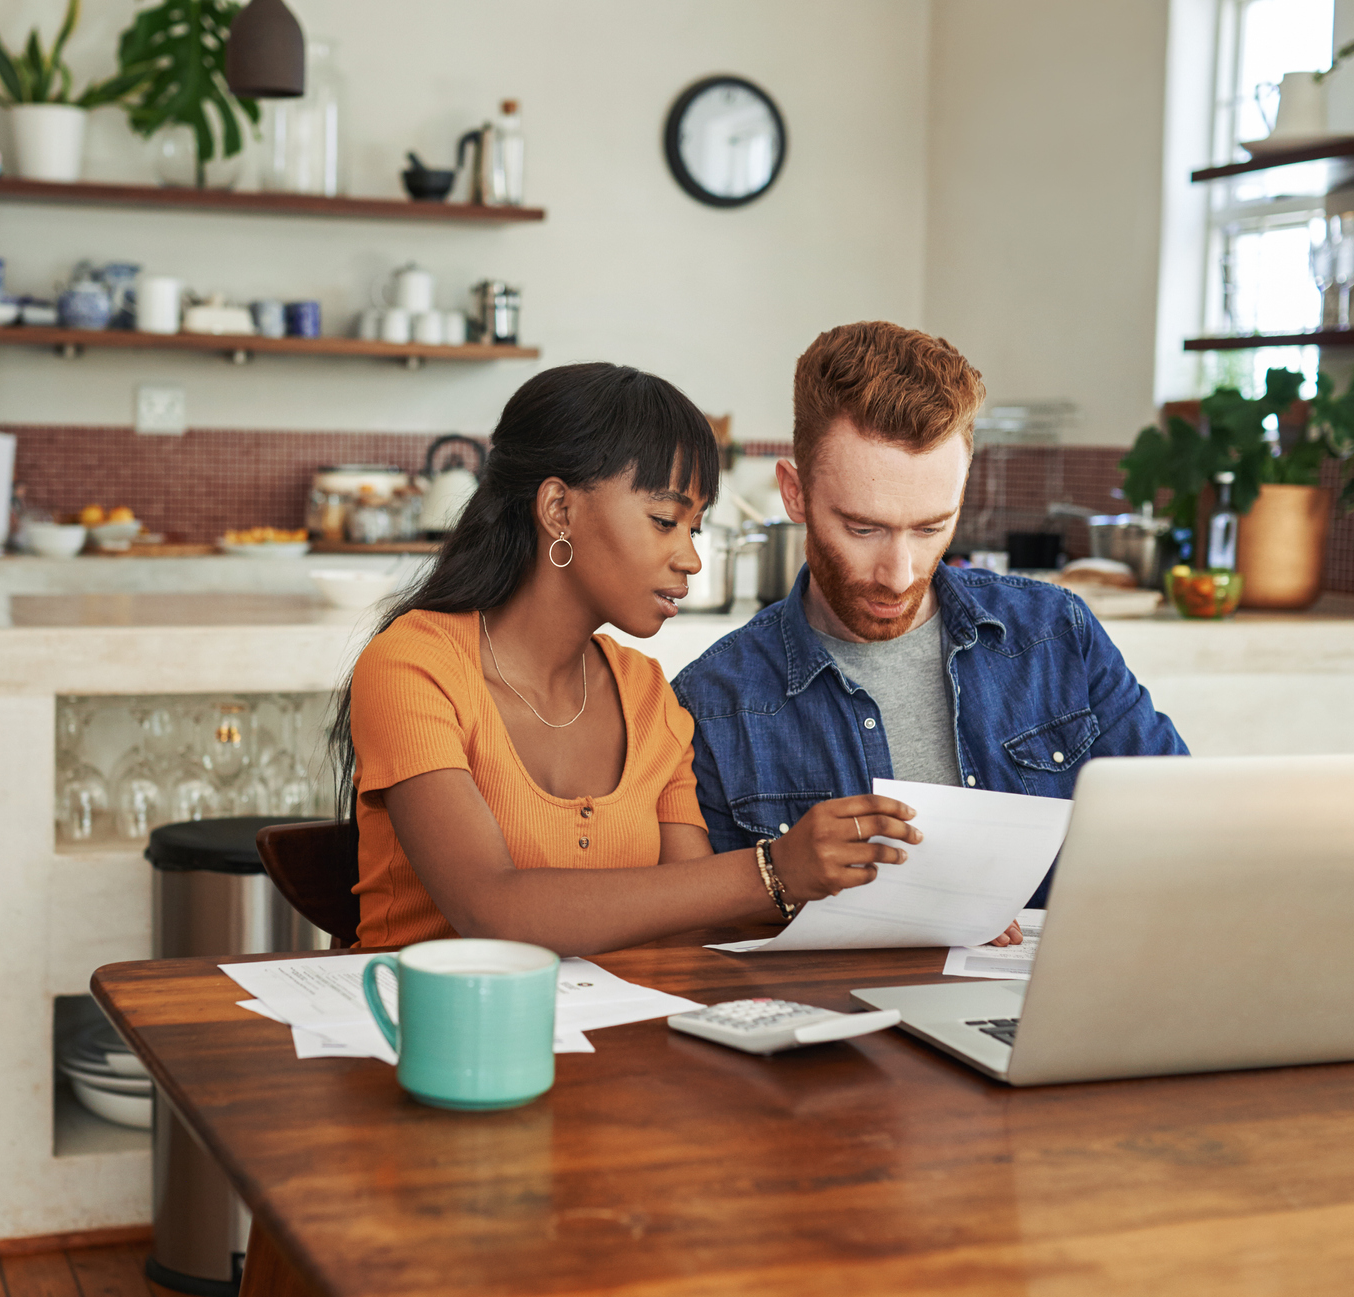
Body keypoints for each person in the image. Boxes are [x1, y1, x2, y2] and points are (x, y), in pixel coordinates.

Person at [334, 362, 934, 955]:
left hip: (619, 1040)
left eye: (694, 530)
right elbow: (491, 910)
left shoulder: (645, 692)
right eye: (665, 521)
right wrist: (774, 870)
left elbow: (697, 920)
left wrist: (920, 916)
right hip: (428, 1036)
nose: (690, 559)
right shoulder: (414, 666)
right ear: (559, 510)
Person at [671, 321, 1188, 878]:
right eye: (863, 529)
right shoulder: (712, 703)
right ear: (795, 494)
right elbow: (718, 940)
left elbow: (1180, 829)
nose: (899, 575)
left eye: (929, 528)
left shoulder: (1058, 634)